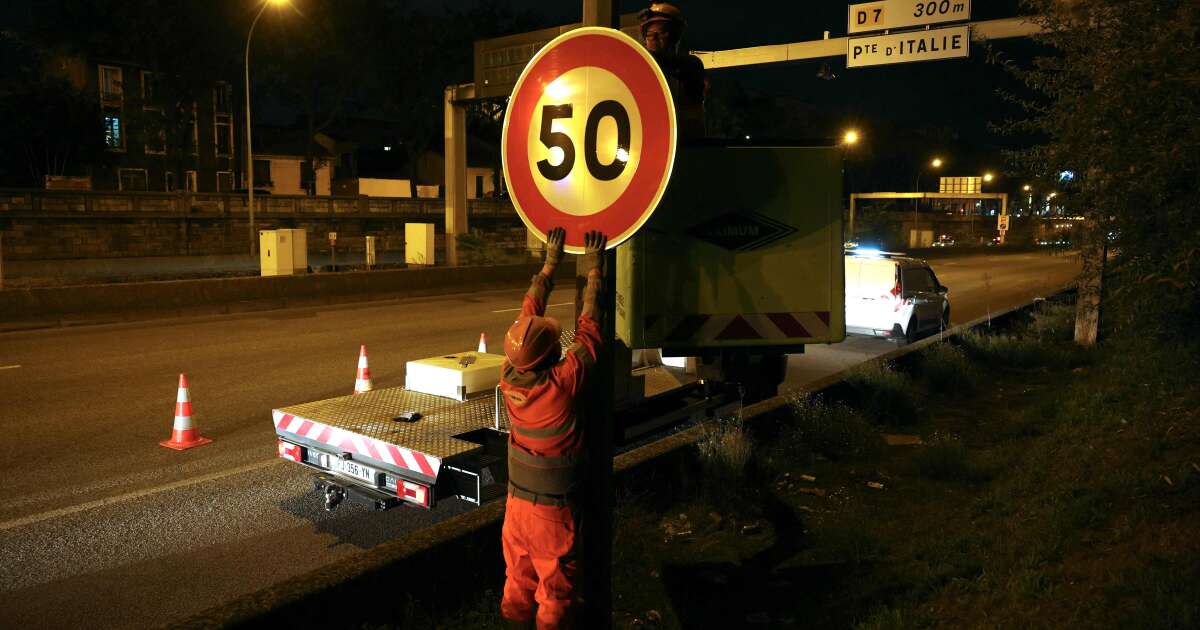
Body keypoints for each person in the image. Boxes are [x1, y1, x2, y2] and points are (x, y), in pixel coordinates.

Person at [499, 227, 608, 629]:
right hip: (551, 513)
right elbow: (591, 333)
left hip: (516, 508)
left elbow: (526, 320)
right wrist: (594, 272)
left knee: (517, 580)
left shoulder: (509, 373)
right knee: (555, 593)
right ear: (550, 355)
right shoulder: (561, 386)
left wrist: (549, 263)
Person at [639, 1, 707, 139]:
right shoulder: (639, 66)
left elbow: (693, 114)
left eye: (661, 31)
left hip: (684, 144)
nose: (653, 37)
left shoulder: (690, 66)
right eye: (649, 32)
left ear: (675, 36)